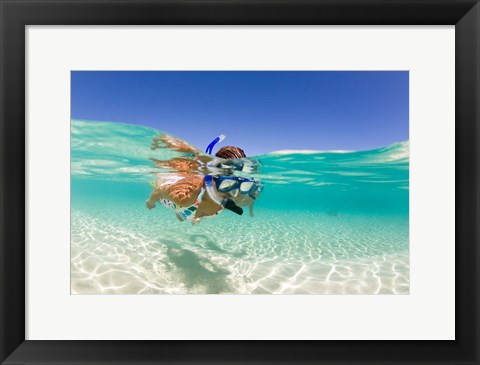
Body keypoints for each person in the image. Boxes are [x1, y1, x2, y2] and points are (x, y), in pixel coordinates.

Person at [146, 135, 262, 224]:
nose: (235, 192)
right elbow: (159, 192)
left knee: (182, 218)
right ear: (215, 175)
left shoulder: (231, 194)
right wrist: (150, 202)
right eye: (229, 184)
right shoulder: (187, 196)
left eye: (240, 184)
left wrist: (199, 216)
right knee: (176, 206)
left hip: (189, 210)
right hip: (169, 192)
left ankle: (193, 215)